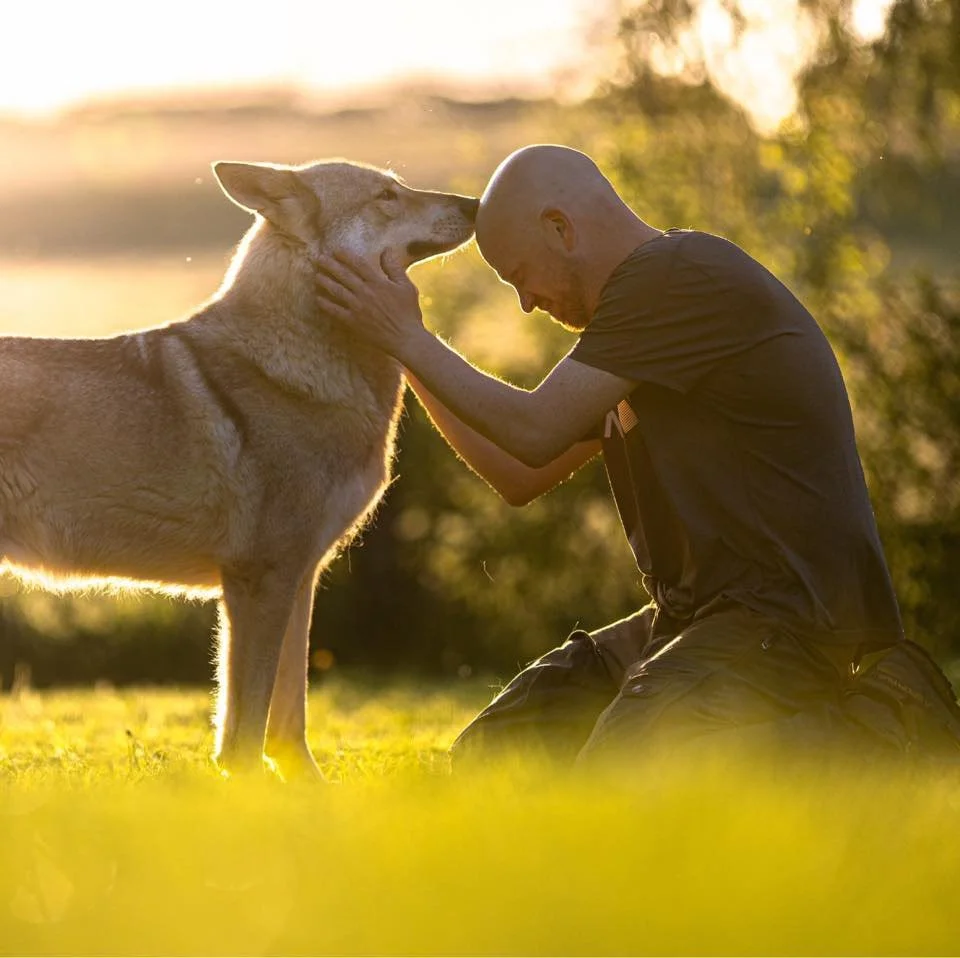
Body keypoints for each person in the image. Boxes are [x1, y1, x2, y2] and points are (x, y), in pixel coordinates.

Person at [314, 144, 960, 765]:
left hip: (790, 617)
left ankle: (892, 725)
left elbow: (534, 429)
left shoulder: (677, 277)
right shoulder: (634, 325)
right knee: (499, 753)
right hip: (693, 620)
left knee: (634, 768)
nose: (527, 302)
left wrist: (403, 333)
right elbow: (519, 472)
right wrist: (400, 343)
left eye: (520, 276)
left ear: (561, 229)